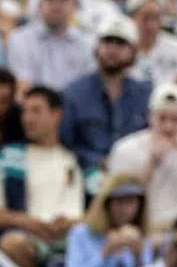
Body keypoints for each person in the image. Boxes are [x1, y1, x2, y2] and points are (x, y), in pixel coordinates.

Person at [0, 85, 84, 267]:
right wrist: (28, 223)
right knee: (12, 244)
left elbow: (103, 211)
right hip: (29, 240)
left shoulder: (80, 160)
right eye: (25, 111)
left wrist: (74, 223)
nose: (27, 118)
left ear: (56, 115)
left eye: (36, 111)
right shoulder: (8, 157)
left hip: (76, 240)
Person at [105, 82, 177, 232]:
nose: (168, 127)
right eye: (162, 118)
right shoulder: (125, 149)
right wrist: (152, 162)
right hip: (141, 227)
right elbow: (119, 198)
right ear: (150, 116)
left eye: (175, 120)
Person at [59, 14, 152, 172]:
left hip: (134, 177)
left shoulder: (146, 94)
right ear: (97, 48)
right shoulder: (74, 93)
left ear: (134, 52)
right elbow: (65, 143)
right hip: (87, 175)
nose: (113, 49)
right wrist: (97, 162)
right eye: (108, 42)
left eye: (121, 44)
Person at [5, 0, 95, 94]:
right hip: (35, 108)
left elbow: (88, 88)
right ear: (39, 4)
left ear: (74, 5)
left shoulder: (87, 43)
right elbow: (22, 86)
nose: (56, 4)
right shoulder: (19, 39)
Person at [126, 0, 177, 87]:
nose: (151, 25)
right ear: (132, 17)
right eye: (145, 18)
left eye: (156, 18)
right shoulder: (122, 49)